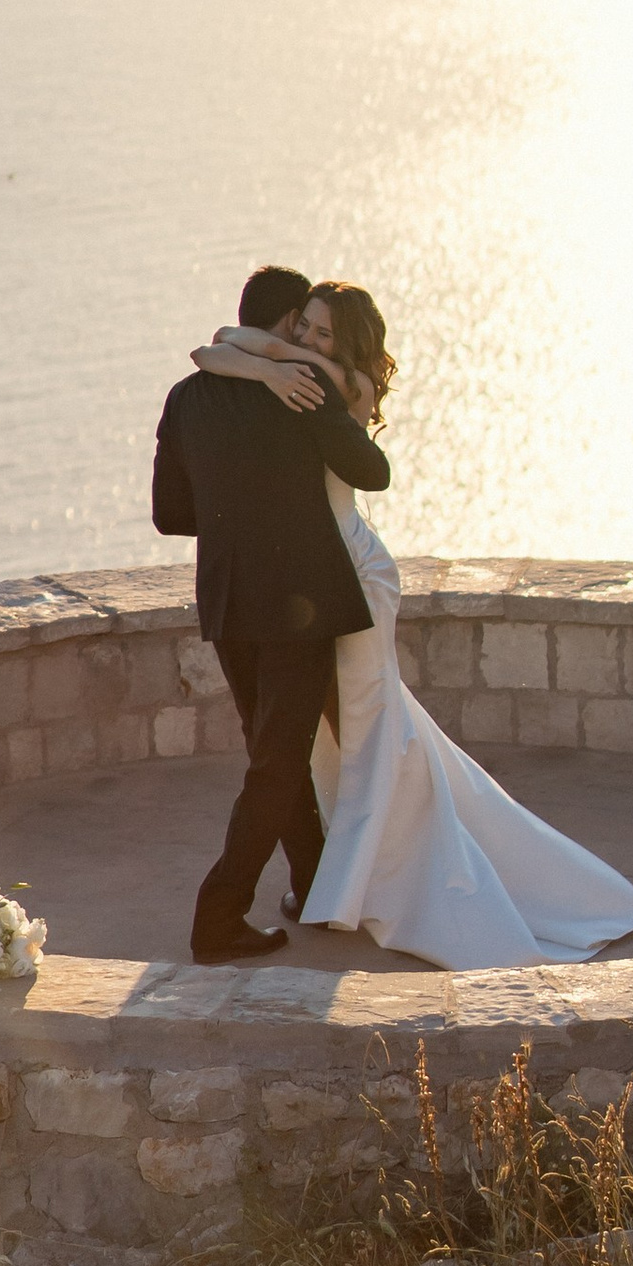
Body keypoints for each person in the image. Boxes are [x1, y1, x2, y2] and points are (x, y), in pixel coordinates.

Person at [190, 282, 633, 969]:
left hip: (350, 574)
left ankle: (395, 881)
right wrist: (265, 365)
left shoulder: (326, 379)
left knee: (371, 728)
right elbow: (215, 348)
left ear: (346, 345)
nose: (309, 342)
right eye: (304, 327)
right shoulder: (292, 371)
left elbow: (229, 355)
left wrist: (271, 362)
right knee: (327, 741)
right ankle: (337, 881)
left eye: (321, 333)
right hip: (319, 578)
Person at [151, 262, 392, 962]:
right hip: (299, 606)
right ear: (289, 326)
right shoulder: (301, 389)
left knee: (272, 756)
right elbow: (371, 473)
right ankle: (218, 916)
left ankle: (315, 880)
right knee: (278, 764)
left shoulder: (185, 398)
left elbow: (171, 516)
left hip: (228, 602)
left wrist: (235, 518)